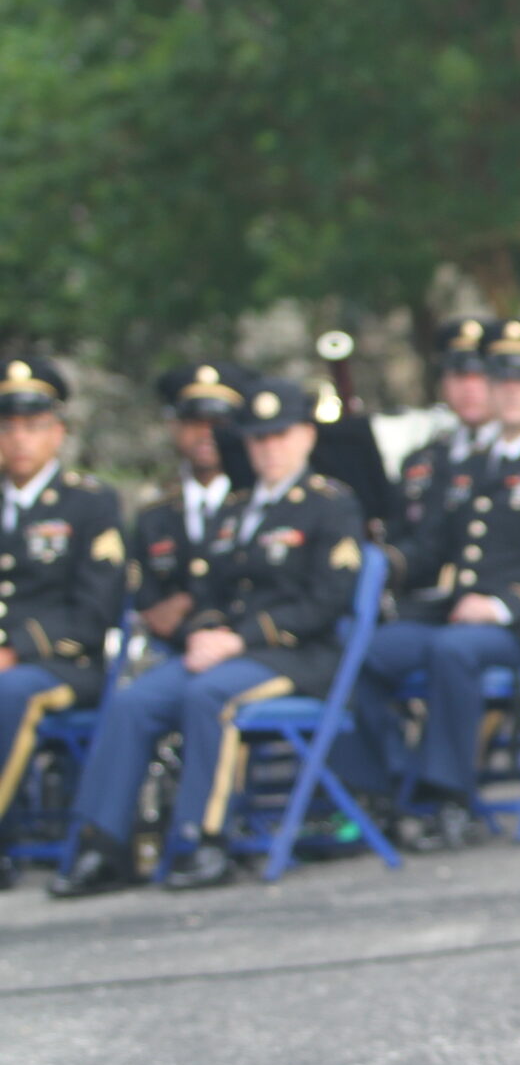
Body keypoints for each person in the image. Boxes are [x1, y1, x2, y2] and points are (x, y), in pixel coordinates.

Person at [52, 378, 364, 897]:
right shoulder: (236, 509)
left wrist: (238, 639)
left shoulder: (330, 505)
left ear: (307, 437)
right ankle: (103, 844)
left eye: (281, 436)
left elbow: (326, 601)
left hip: (296, 656)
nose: (269, 449)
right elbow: (207, 591)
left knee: (209, 696)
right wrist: (204, 632)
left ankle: (204, 837)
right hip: (227, 652)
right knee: (135, 701)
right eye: (259, 439)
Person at [352, 320, 520, 852]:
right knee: (366, 653)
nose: (510, 390)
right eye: (500, 379)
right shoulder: (469, 465)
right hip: (460, 619)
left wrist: (501, 607)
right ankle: (391, 785)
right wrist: (380, 563)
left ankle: (450, 798)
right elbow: (431, 548)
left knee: (452, 650)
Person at [0, 358, 124, 889]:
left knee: (9, 692)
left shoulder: (90, 503)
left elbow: (95, 613)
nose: (18, 439)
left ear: (58, 432)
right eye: (7, 427)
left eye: (32, 427)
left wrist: (17, 650)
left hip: (63, 665)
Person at [387, 317, 501, 624]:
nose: (470, 388)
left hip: (488, 611)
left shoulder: (514, 458)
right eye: (459, 375)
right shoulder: (424, 460)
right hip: (420, 607)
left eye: (482, 376)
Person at [133, 363, 254, 644]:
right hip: (170, 646)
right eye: (194, 422)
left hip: (237, 642)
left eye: (218, 424)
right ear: (175, 427)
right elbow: (146, 599)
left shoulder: (255, 503)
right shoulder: (154, 513)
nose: (206, 435)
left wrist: (189, 600)